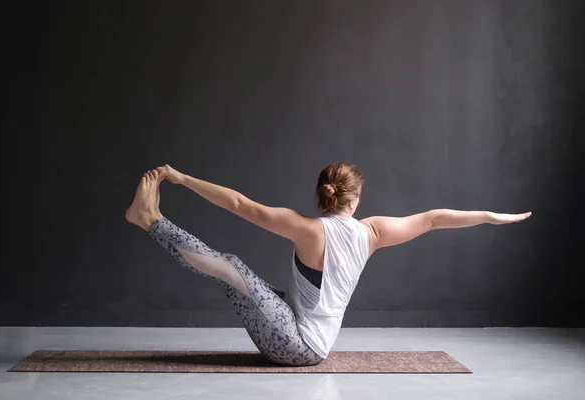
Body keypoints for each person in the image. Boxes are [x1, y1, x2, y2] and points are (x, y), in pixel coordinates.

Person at [125, 162, 531, 366]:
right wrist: (487, 215)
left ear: (325, 195)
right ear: (353, 200)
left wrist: (183, 178)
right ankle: (152, 218)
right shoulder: (371, 232)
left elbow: (239, 204)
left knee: (231, 267)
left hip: (297, 346)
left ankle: (149, 220)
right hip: (299, 335)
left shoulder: (307, 228)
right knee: (233, 272)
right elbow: (431, 219)